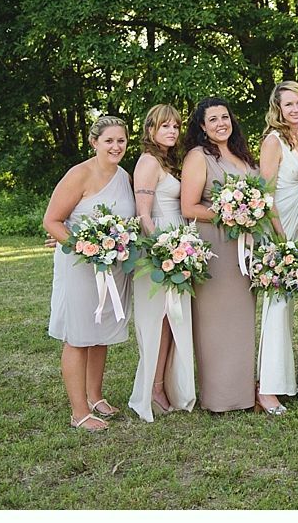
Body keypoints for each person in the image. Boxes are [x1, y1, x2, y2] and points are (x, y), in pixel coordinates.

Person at [43, 115, 135, 432]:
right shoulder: (79, 174)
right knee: (79, 336)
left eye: (121, 140)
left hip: (113, 267)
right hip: (80, 267)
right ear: (94, 142)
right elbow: (52, 221)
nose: (116, 146)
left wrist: (118, 245)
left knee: (100, 335)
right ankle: (79, 412)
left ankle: (95, 397)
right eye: (109, 140)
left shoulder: (124, 176)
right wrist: (87, 246)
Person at [180, 97, 258, 413]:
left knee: (242, 320)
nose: (220, 124)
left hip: (244, 247)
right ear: (202, 126)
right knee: (215, 321)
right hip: (214, 245)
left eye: (224, 117)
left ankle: (244, 393)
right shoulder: (199, 157)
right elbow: (190, 207)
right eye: (212, 120)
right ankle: (219, 398)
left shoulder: (241, 154)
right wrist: (230, 214)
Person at [129, 104, 196, 422]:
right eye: (164, 126)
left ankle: (163, 386)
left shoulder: (167, 163)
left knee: (172, 322)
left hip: (177, 248)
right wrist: (162, 250)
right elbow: (143, 213)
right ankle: (151, 391)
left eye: (176, 126)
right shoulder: (146, 162)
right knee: (155, 322)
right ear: (151, 130)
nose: (172, 131)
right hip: (157, 251)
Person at [256, 81, 298, 415]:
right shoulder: (273, 141)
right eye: (288, 105)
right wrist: (282, 240)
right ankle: (267, 389)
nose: (295, 109)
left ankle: (285, 381)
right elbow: (266, 195)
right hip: (278, 235)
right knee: (276, 309)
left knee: (290, 308)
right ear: (277, 109)